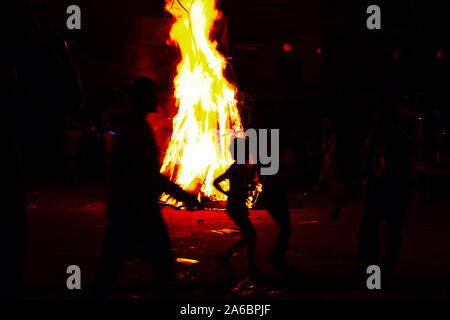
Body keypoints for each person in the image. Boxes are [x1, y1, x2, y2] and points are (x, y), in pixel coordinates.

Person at [92, 77, 200, 298]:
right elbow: (148, 174)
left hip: (131, 206)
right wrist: (183, 196)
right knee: (158, 262)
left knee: (115, 261)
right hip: (137, 207)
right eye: (151, 95)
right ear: (141, 98)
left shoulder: (134, 125)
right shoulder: (135, 129)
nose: (156, 99)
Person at [213, 137, 259, 278]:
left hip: (236, 205)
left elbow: (216, 182)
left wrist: (229, 192)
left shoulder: (239, 167)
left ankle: (232, 258)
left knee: (250, 236)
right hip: (235, 206)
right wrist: (229, 193)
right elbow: (217, 182)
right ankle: (247, 266)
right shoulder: (238, 168)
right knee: (251, 236)